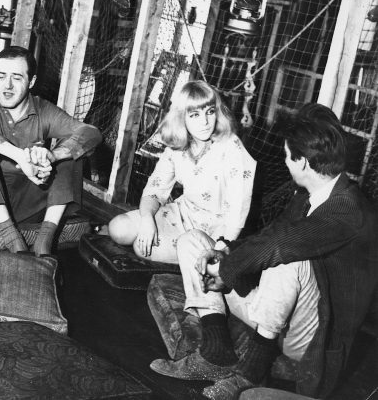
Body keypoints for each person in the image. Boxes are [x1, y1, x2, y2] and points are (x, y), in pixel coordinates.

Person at [151, 103, 378, 400]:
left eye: (287, 156)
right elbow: (271, 234)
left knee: (290, 260)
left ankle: (250, 372)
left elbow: (283, 244)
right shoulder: (307, 194)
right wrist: (226, 252)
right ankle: (216, 352)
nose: (285, 162)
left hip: (310, 337)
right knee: (192, 242)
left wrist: (228, 270)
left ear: (304, 163)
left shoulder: (349, 209)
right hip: (275, 313)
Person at [0, 46, 102, 255]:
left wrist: (53, 155)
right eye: (1, 76)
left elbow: (91, 133)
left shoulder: (42, 109)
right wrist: (19, 156)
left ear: (31, 82)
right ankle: (11, 236)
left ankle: (45, 240)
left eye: (17, 78)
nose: (7, 85)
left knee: (73, 150)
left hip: (22, 205)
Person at [108, 80, 256, 264]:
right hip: (182, 214)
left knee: (142, 247)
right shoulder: (178, 145)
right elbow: (155, 190)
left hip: (215, 231)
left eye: (210, 112)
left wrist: (222, 247)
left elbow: (238, 209)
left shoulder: (231, 146)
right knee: (118, 228)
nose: (205, 122)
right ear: (181, 117)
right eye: (195, 115)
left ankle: (193, 261)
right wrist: (147, 220)